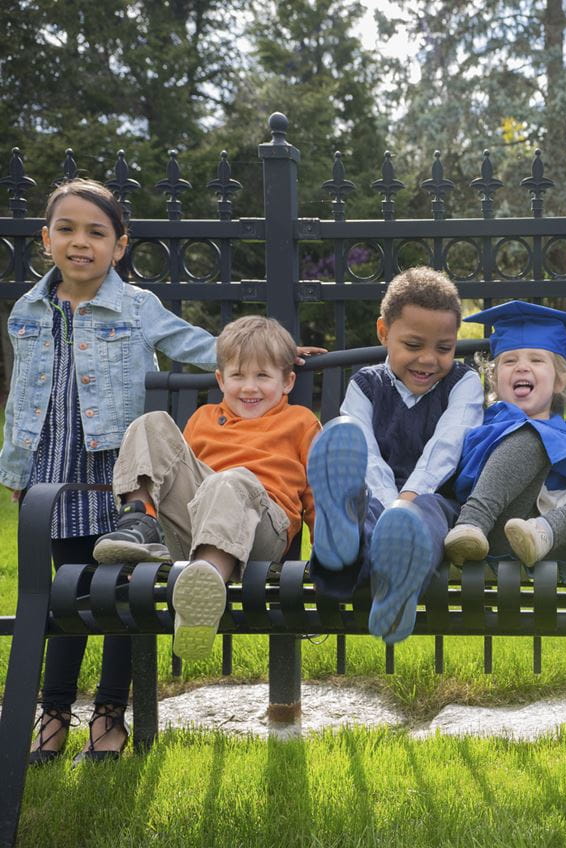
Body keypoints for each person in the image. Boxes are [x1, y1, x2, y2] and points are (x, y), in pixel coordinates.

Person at [0, 179, 216, 764]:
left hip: (120, 479)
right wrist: (17, 468)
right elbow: (21, 397)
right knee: (66, 596)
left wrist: (262, 352)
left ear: (119, 247)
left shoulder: (137, 306)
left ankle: (110, 715)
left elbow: (193, 343)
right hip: (54, 477)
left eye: (96, 232)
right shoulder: (27, 309)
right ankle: (53, 714)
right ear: (45, 239)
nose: (80, 242)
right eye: (66, 229)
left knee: (124, 594)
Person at [93, 315, 321, 664]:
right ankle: (139, 521)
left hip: (261, 533)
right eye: (238, 376)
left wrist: (327, 553)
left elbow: (319, 492)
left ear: (287, 381)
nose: (249, 387)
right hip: (196, 529)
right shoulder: (202, 419)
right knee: (150, 423)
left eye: (262, 376)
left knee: (231, 479)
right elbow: (179, 476)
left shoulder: (301, 422)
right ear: (220, 379)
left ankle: (207, 583)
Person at [306, 268, 483, 644]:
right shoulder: (366, 385)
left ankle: (378, 572)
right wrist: (391, 505)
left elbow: (447, 446)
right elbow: (366, 456)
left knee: (422, 518)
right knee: (362, 508)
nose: (429, 359)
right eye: (414, 345)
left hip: (434, 501)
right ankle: (341, 542)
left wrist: (407, 501)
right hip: (376, 496)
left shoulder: (463, 382)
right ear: (383, 332)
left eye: (444, 348)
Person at [443, 302, 566, 570]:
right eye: (510, 361)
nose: (522, 367)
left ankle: (545, 531)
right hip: (498, 535)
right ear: (494, 380)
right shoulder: (485, 427)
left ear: (559, 381)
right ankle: (471, 524)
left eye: (536, 360)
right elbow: (464, 480)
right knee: (531, 434)